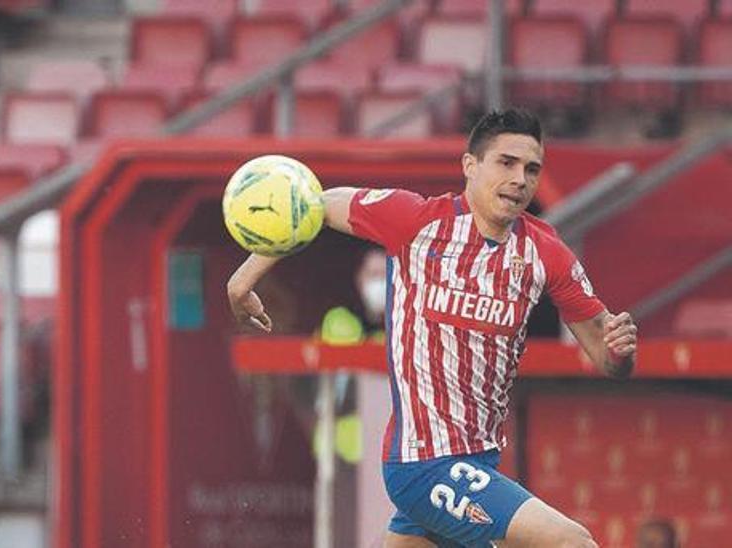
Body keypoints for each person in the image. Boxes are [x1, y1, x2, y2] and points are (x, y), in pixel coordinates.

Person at [227, 108, 639, 547]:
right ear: (470, 166)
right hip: (423, 462)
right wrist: (243, 280)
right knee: (570, 543)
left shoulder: (545, 254)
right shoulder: (415, 222)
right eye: (506, 163)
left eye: (531, 168)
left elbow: (608, 358)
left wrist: (620, 350)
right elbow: (314, 204)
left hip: (478, 461)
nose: (520, 178)